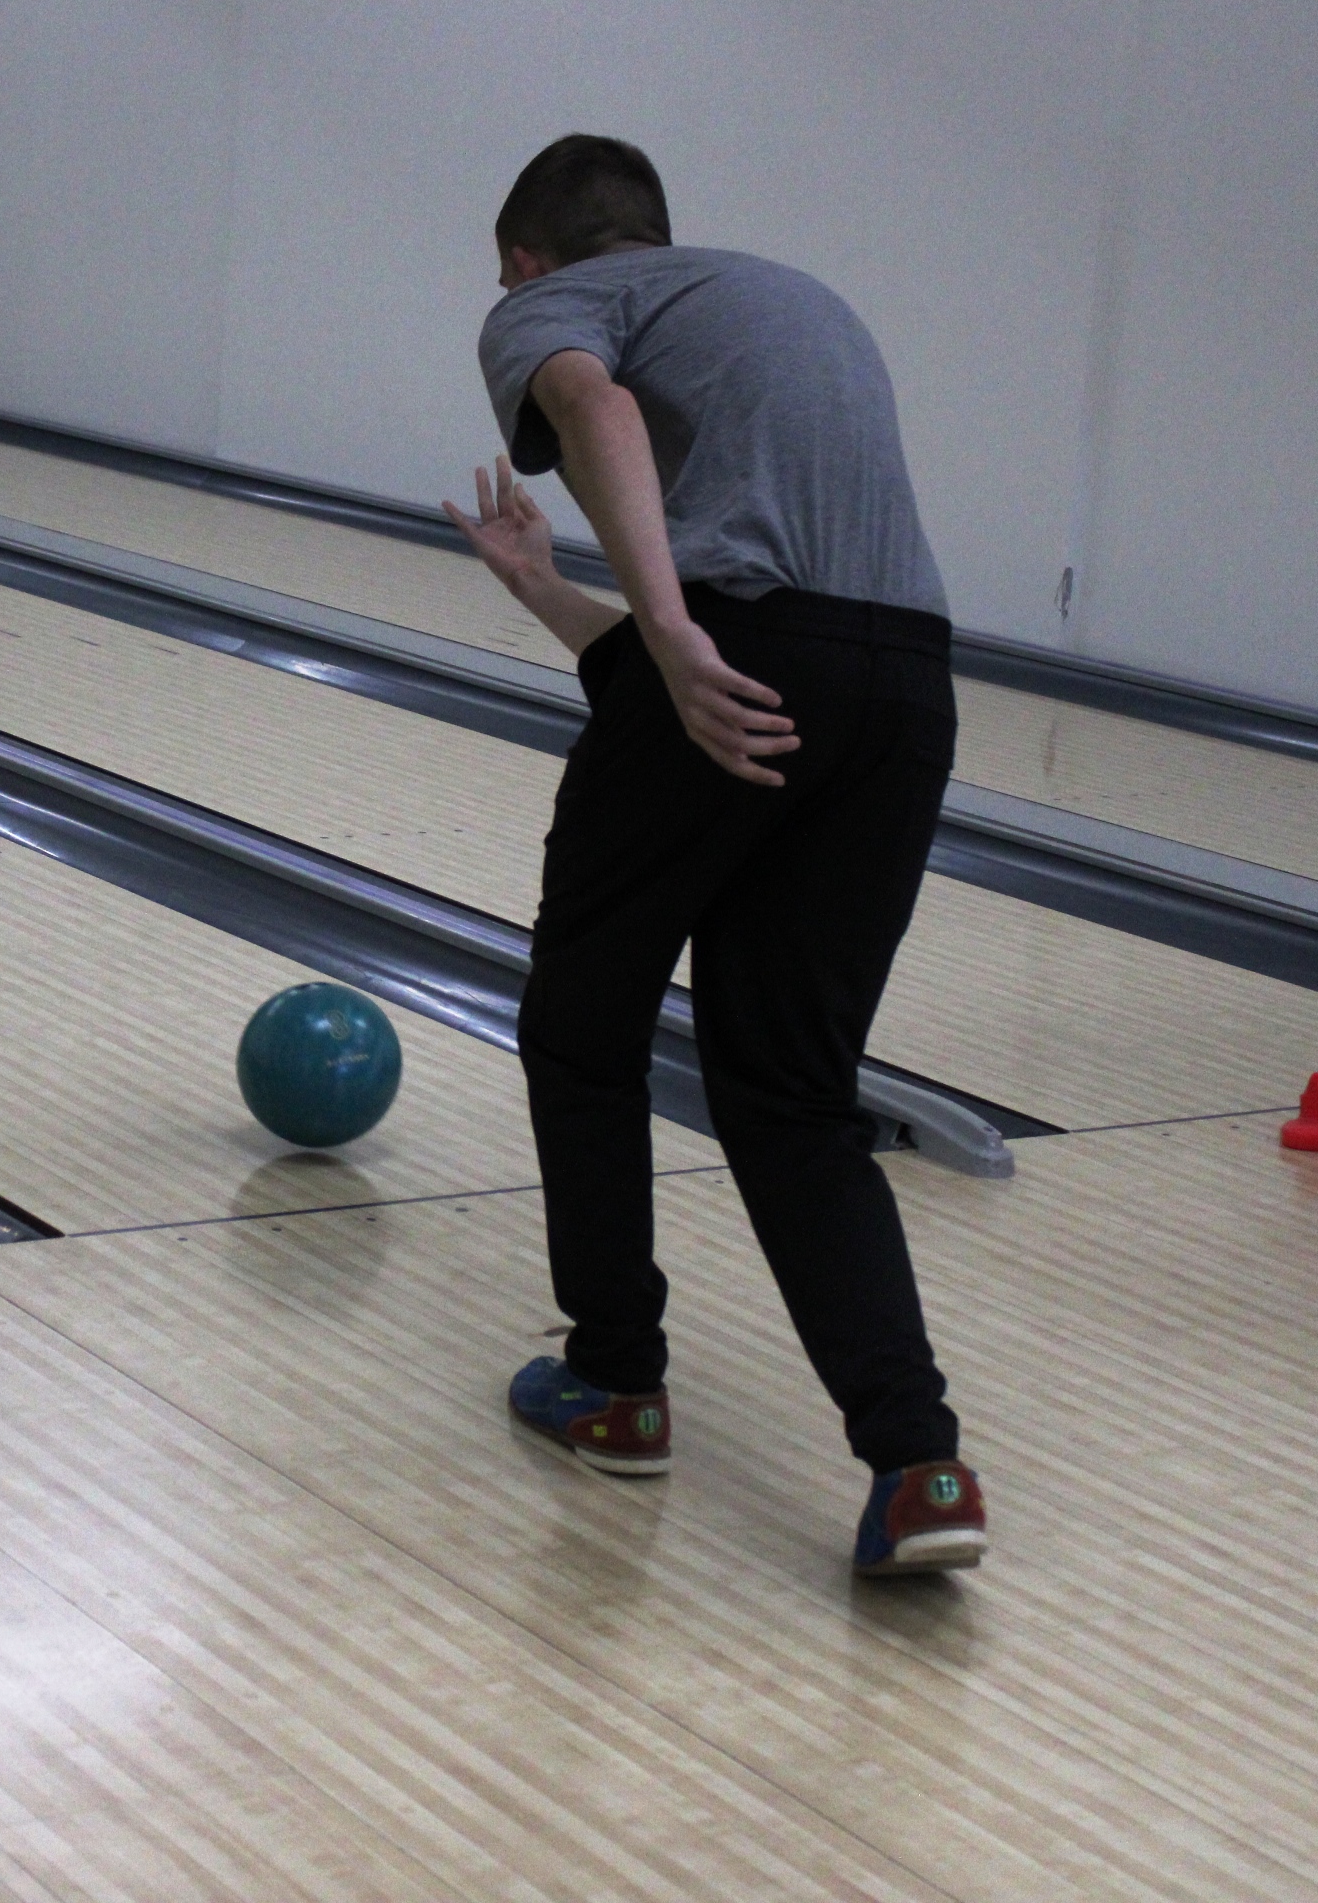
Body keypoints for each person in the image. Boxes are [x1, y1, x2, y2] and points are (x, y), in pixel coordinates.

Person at [444, 133, 984, 1576]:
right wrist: (559, 595)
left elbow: (597, 415)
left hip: (746, 642)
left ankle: (617, 1386)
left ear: (525, 260)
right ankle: (919, 1466)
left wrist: (667, 622)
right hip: (909, 687)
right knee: (793, 1095)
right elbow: (790, 641)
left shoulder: (548, 308)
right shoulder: (791, 298)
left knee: (583, 1025)